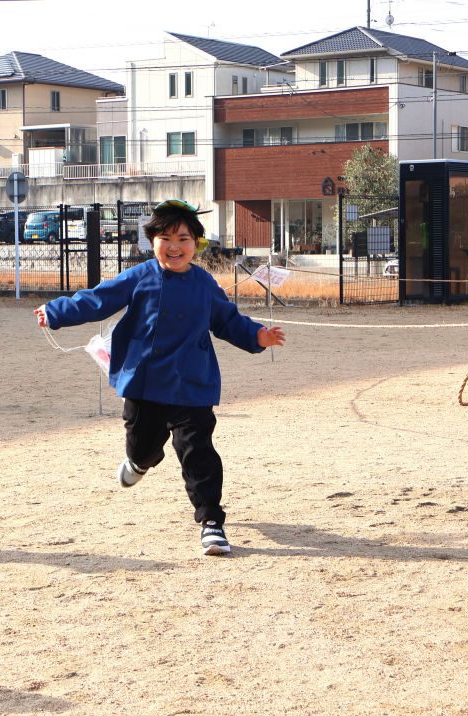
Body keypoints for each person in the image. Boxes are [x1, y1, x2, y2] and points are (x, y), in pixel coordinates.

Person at [35, 199, 286, 555]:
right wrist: (55, 311)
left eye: (183, 238)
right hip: (146, 382)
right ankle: (141, 461)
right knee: (142, 445)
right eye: (165, 237)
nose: (174, 246)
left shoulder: (204, 284)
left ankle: (211, 521)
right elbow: (97, 300)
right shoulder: (140, 277)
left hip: (191, 384)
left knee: (198, 450)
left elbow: (227, 321)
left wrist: (258, 336)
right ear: (152, 241)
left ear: (196, 243)